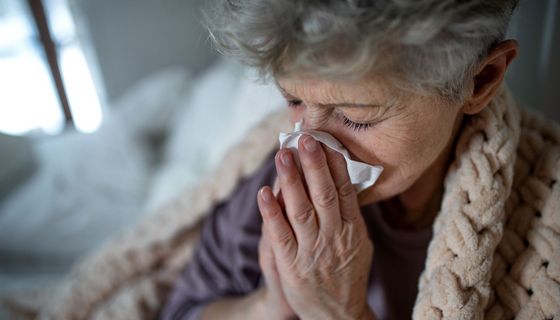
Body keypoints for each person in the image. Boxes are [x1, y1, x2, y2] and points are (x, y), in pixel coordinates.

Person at [161, 1, 560, 319]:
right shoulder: (276, 181)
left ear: (481, 80)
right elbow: (182, 308)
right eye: (294, 100)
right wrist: (272, 304)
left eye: (357, 117)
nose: (306, 144)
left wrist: (338, 312)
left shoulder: (546, 225)